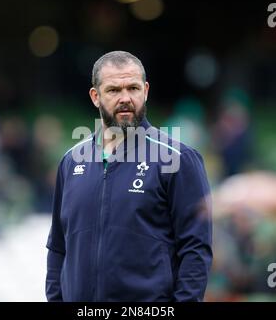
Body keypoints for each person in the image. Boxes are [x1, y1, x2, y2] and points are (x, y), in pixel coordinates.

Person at [45, 51, 212, 302]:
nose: (125, 98)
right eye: (113, 90)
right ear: (95, 97)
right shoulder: (71, 162)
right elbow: (58, 248)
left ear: (145, 90)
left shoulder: (178, 159)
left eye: (132, 88)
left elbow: (196, 249)